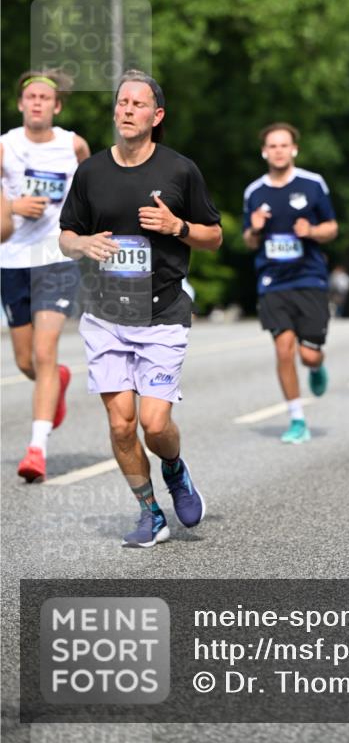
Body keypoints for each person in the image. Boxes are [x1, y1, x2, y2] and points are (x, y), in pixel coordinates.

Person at [59, 71, 222, 548]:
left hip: (163, 312)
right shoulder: (91, 171)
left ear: (157, 115)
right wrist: (83, 243)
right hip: (105, 314)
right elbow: (67, 234)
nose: (127, 110)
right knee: (120, 423)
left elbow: (214, 237)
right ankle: (150, 513)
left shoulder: (179, 171)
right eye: (122, 102)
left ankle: (174, 468)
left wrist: (177, 227)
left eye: (138, 103)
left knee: (154, 424)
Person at [1, 69, 90, 482]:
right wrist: (13, 208)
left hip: (56, 256)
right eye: (30, 97)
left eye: (44, 97)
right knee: (25, 361)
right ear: (20, 105)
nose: (37, 102)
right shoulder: (5, 148)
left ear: (56, 106)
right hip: (13, 259)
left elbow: (94, 192)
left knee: (44, 350)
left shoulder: (73, 146)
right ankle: (58, 380)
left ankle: (36, 450)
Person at [243, 123, 338, 444]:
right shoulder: (254, 192)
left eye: (284, 145)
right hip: (272, 281)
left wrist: (311, 232)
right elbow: (248, 242)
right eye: (273, 145)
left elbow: (332, 228)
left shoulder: (312, 184)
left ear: (294, 149)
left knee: (308, 355)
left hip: (309, 277)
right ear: (264, 152)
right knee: (283, 349)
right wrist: (254, 229)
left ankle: (315, 365)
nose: (279, 150)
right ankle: (297, 418)